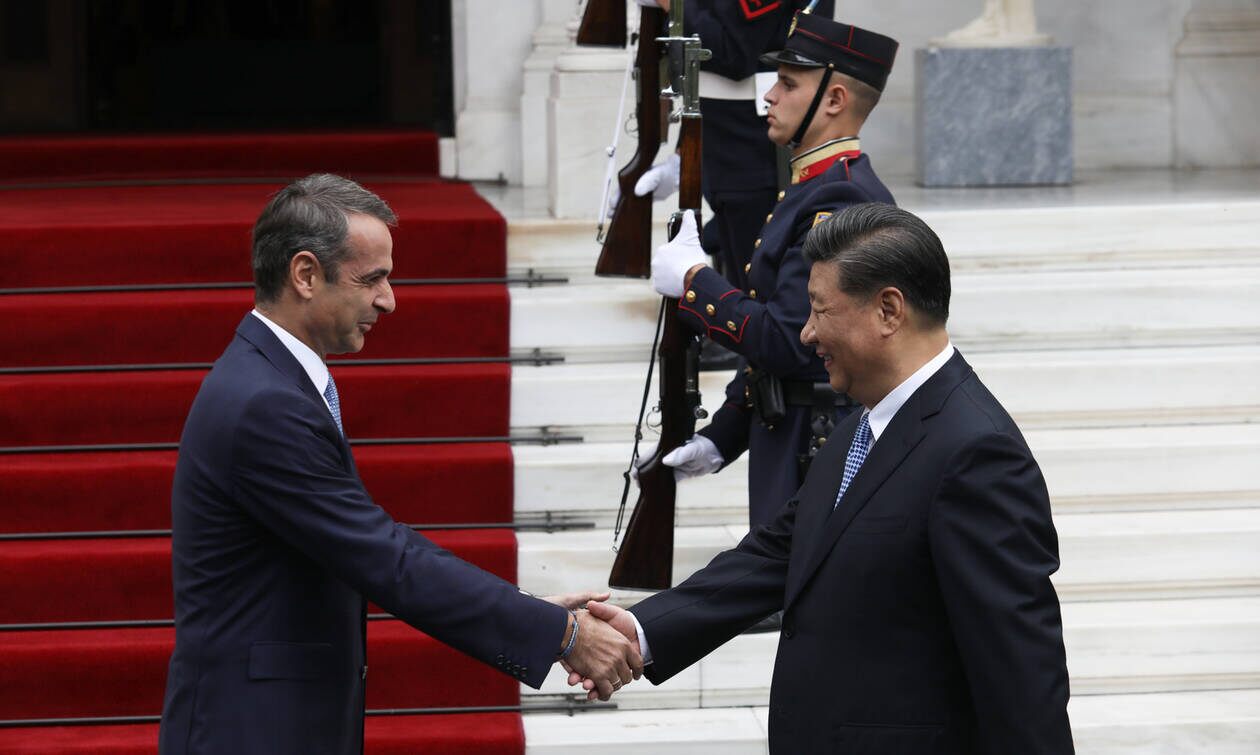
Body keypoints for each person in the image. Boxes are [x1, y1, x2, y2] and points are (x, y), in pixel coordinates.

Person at [158, 174, 641, 755]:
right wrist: (560, 635)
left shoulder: (271, 381)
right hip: (250, 731)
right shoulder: (265, 403)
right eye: (372, 279)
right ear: (305, 275)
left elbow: (373, 546)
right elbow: (384, 557)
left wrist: (529, 612)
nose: (389, 300)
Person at [585, 203, 1075, 753]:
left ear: (888, 311)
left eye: (819, 310)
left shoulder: (977, 454)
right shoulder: (861, 426)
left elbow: (1020, 673)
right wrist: (640, 631)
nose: (807, 333)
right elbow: (778, 554)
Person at [649, 12, 898, 530]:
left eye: (787, 84)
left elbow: (787, 342)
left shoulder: (841, 199)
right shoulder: (813, 188)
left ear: (834, 100)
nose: (769, 96)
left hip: (815, 445)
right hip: (789, 435)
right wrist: (722, 438)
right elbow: (774, 345)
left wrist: (696, 280)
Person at [627, 0, 833, 371]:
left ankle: (744, 355)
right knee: (730, 242)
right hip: (725, 134)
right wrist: (683, 153)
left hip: (752, 139)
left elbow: (734, 49)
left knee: (753, 267)